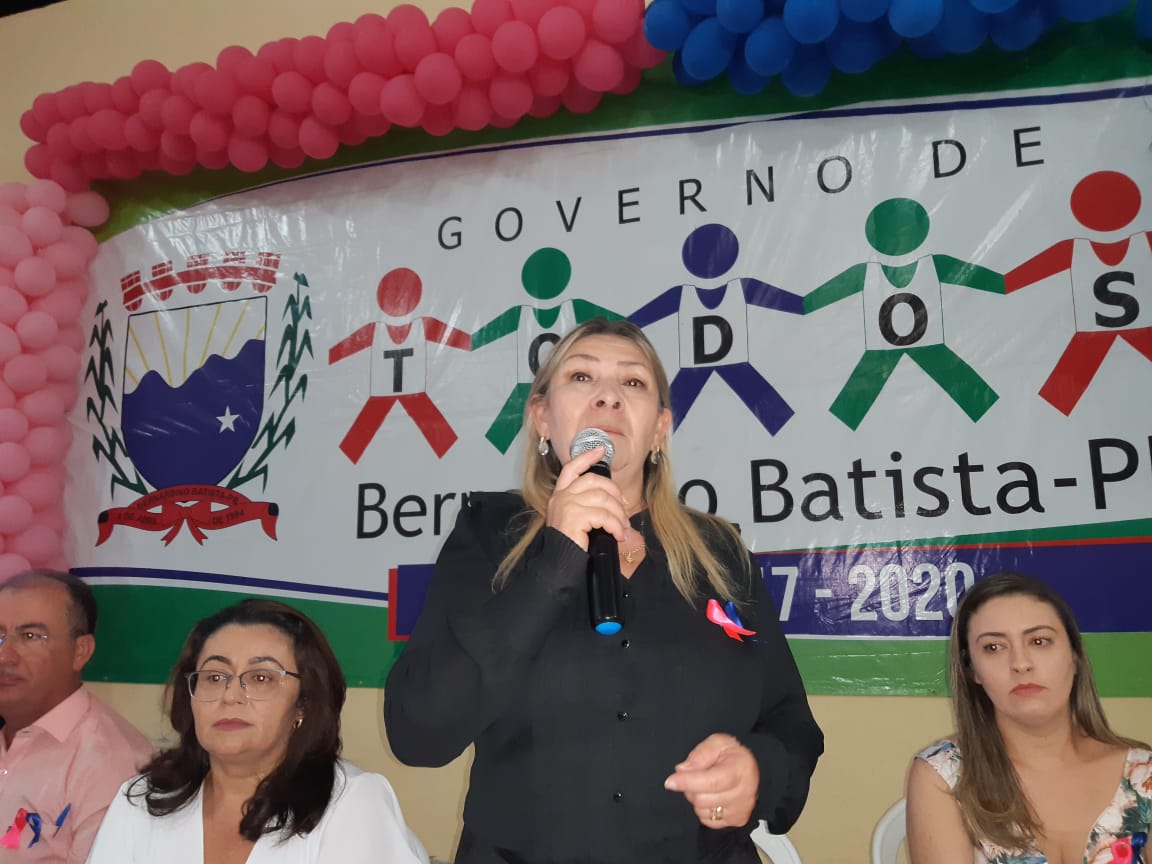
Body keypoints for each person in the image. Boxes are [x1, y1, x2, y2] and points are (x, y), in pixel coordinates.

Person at [385, 317, 824, 864]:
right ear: (542, 417)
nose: (609, 396)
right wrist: (554, 559)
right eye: (581, 377)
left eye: (633, 382)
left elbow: (792, 723)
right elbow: (418, 731)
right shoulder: (486, 536)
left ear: (660, 428)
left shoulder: (722, 554)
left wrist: (758, 770)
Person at [86, 599, 429, 864]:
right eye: (214, 677)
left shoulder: (351, 802)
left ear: (303, 704)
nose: (230, 696)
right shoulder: (146, 798)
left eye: (261, 678)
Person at [906, 572, 1151, 864]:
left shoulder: (1142, 774)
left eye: (1039, 641)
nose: (1020, 664)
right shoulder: (943, 775)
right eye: (993, 647)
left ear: (1074, 656)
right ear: (973, 670)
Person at [0, 569, 153, 863]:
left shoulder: (114, 766)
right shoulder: (12, 727)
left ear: (81, 651)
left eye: (30, 636)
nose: (5, 655)